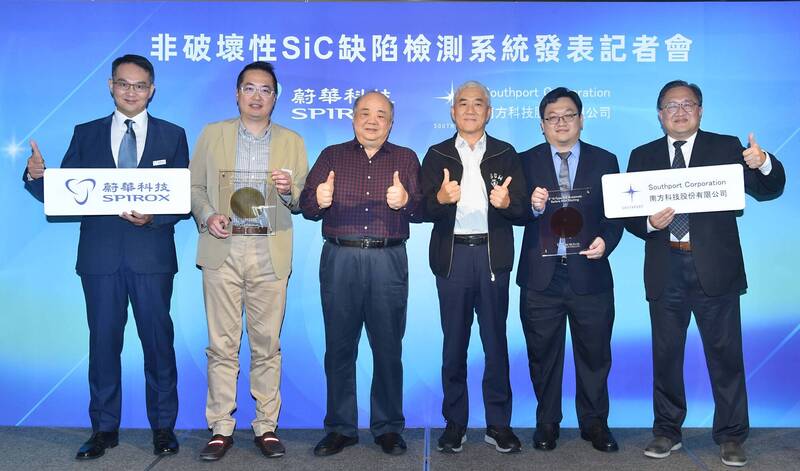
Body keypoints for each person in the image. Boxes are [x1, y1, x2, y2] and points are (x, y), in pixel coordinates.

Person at [23, 54, 188, 460]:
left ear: (151, 90)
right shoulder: (87, 133)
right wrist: (37, 177)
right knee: (102, 345)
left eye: (140, 85)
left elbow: (182, 198)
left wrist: (154, 216)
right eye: (123, 83)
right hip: (100, 260)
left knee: (158, 344)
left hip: (152, 258)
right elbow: (64, 195)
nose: (131, 91)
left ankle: (163, 428)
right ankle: (103, 429)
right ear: (111, 86)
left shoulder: (173, 135)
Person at [625, 80, 785, 467]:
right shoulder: (642, 155)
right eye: (671, 105)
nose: (680, 111)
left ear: (700, 110)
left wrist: (763, 162)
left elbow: (770, 187)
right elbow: (626, 214)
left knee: (726, 357)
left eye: (688, 104)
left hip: (715, 270)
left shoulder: (726, 148)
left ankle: (731, 436)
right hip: (665, 269)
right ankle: (667, 431)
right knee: (666, 357)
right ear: (660, 114)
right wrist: (648, 223)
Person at [189, 61, 308, 461]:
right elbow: (194, 186)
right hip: (222, 249)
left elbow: (301, 199)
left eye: (266, 90)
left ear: (275, 97)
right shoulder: (213, 133)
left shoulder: (292, 140)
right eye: (250, 88)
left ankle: (266, 426)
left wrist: (289, 190)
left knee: (267, 345)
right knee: (222, 345)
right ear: (237, 94)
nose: (257, 96)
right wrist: (208, 215)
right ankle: (221, 427)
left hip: (269, 252)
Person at [299, 91, 422, 457]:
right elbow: (306, 205)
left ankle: (388, 427)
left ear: (391, 122)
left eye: (381, 114)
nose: (372, 120)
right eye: (365, 113)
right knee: (339, 347)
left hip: (388, 259)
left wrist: (406, 202)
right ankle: (340, 428)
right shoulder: (332, 156)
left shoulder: (405, 157)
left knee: (388, 347)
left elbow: (422, 210)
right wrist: (318, 200)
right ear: (353, 118)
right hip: (341, 258)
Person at [420, 81, 527, 454]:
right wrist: (440, 197)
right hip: (453, 258)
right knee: (454, 345)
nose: (469, 109)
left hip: (492, 257)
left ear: (489, 112)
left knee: (496, 343)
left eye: (477, 104)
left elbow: (523, 210)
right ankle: (455, 423)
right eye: (462, 103)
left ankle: (499, 424)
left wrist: (508, 203)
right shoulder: (437, 154)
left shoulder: (505, 153)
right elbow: (420, 209)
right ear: (452, 112)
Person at [516, 87, 623, 453]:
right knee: (542, 355)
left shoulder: (605, 160)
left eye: (568, 115)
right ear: (542, 125)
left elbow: (615, 216)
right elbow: (512, 211)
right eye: (552, 117)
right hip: (541, 277)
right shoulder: (525, 161)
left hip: (590, 273)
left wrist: (607, 242)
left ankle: (595, 423)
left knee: (594, 355)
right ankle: (547, 422)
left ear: (581, 119)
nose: (560, 122)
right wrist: (531, 207)